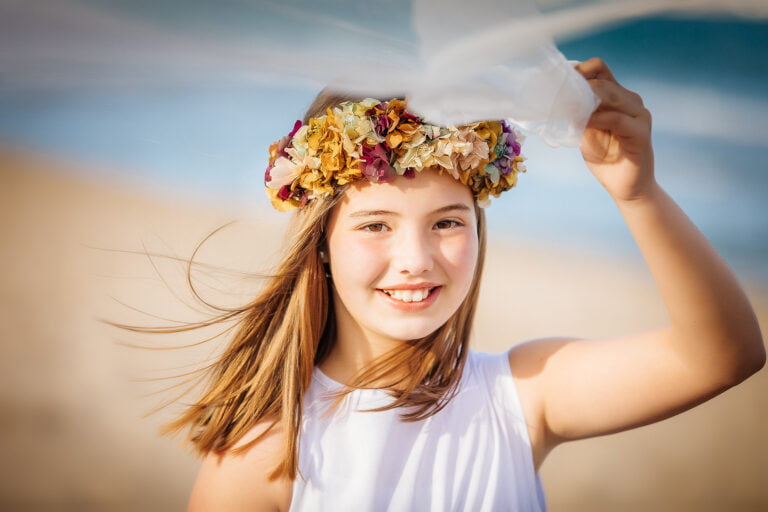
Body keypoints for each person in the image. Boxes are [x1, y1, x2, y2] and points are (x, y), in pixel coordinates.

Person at [181, 58, 765, 511]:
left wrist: (637, 194)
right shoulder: (262, 453)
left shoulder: (523, 395)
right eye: (376, 224)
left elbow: (724, 355)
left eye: (447, 223)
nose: (415, 259)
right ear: (323, 245)